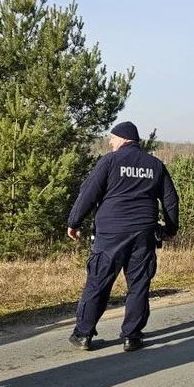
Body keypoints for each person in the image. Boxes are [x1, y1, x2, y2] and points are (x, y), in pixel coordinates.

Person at [67, 121, 179, 353]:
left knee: (98, 283)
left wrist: (74, 222)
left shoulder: (109, 161)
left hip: (110, 233)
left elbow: (87, 193)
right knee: (138, 285)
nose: (110, 142)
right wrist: (170, 228)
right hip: (143, 233)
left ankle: (84, 334)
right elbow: (170, 199)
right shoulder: (155, 165)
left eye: (112, 138)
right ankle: (132, 336)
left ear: (123, 138)